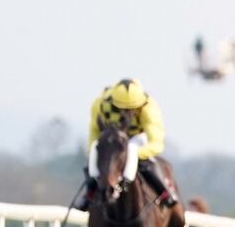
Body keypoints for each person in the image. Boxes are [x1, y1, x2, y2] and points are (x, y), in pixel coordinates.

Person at [72, 79, 178, 211]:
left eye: (132, 109)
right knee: (95, 149)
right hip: (113, 138)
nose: (127, 112)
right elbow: (94, 131)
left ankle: (164, 191)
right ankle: (90, 193)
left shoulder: (149, 108)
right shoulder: (100, 103)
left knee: (132, 148)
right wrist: (94, 149)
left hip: (138, 137)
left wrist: (133, 154)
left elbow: (156, 144)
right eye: (121, 108)